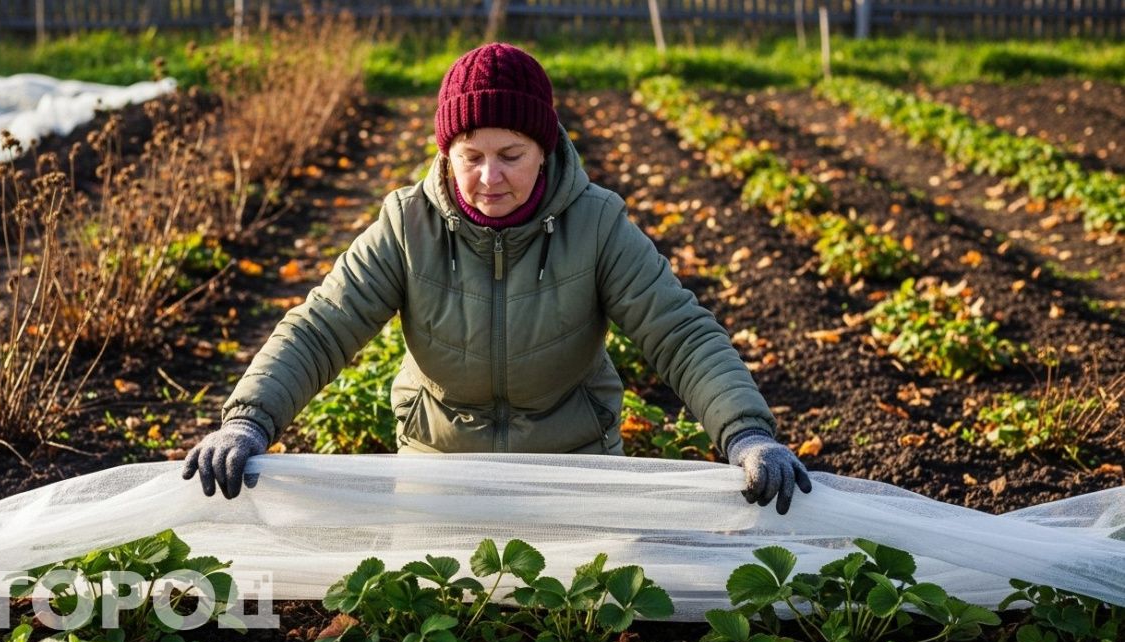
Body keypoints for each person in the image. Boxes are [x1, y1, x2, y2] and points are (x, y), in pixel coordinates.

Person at [183, 43, 812, 513]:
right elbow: (323, 326)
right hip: (439, 471)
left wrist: (746, 435)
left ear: (544, 149)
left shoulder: (596, 224)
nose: (490, 178)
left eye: (511, 155)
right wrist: (248, 421)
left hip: (574, 470)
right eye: (471, 157)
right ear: (446, 154)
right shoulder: (408, 224)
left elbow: (679, 334)